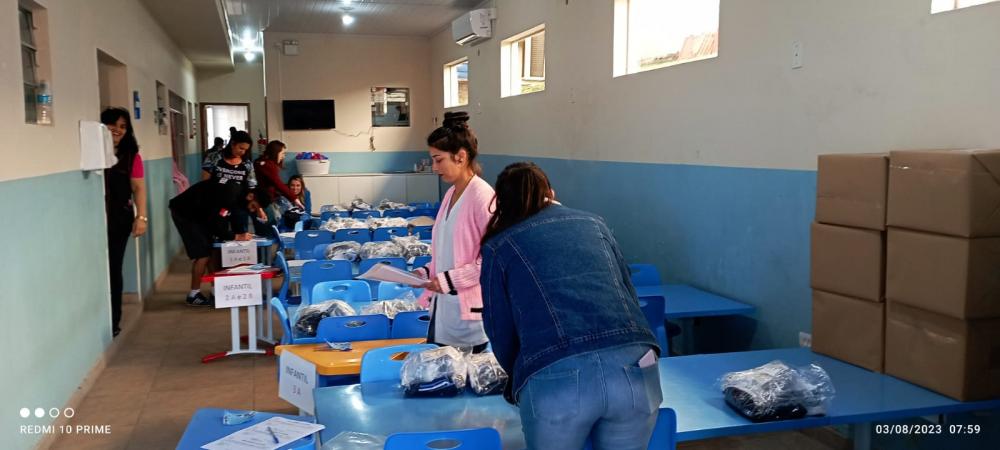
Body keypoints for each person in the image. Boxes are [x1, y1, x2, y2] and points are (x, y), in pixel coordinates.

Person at [479, 162, 662, 450]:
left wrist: (520, 375)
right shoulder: (595, 224)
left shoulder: (500, 246)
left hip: (557, 376)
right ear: (550, 192)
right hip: (635, 366)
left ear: (500, 203)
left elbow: (499, 328)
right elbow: (627, 290)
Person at [411, 111, 494, 352]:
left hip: (469, 318)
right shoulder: (450, 194)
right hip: (445, 309)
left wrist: (448, 280)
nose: (435, 167)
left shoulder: (482, 196)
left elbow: (489, 260)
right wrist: (427, 271)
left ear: (461, 156)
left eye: (439, 160)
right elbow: (449, 250)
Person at [169, 181, 268, 306]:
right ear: (250, 196)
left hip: (201, 213)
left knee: (212, 249)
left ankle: (216, 290)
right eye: (253, 206)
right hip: (185, 212)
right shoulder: (230, 196)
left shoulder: (240, 195)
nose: (251, 210)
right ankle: (193, 295)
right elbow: (216, 225)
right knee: (202, 254)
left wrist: (238, 234)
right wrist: (236, 236)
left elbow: (227, 219)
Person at [101, 107, 147, 337]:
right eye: (112, 125)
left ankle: (113, 320)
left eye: (122, 126)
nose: (117, 130)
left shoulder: (131, 156)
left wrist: (141, 217)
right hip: (94, 220)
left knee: (113, 267)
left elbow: (138, 187)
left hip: (119, 218)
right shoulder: (94, 152)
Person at [254, 140, 304, 227]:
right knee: (270, 226)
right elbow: (277, 183)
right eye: (282, 153)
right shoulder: (267, 165)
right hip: (263, 200)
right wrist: (294, 198)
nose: (283, 156)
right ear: (275, 152)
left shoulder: (260, 162)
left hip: (263, 199)